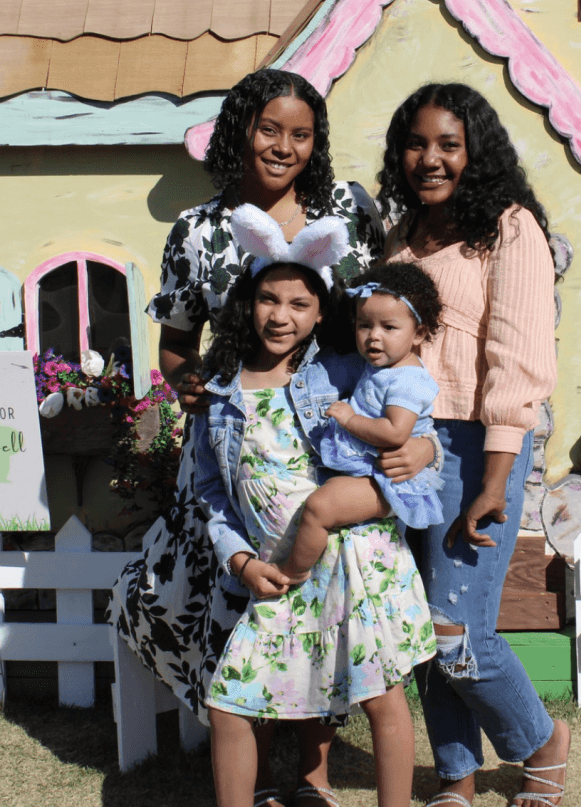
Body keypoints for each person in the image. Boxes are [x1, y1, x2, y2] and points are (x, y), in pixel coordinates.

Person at [108, 67, 434, 807]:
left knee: (333, 609)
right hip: (238, 435)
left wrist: (412, 430)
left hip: (337, 440)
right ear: (239, 132)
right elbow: (174, 344)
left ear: (316, 143)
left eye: (301, 133)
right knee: (248, 607)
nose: (283, 146)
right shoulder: (196, 230)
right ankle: (250, 772)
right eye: (268, 129)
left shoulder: (349, 215)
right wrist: (188, 384)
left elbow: (389, 324)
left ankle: (313, 778)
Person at [198, 208, 435, 807]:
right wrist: (240, 560)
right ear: (248, 304)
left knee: (381, 693)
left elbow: (413, 402)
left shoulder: (339, 370)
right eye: (268, 301)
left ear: (322, 313)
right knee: (230, 703)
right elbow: (211, 492)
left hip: (351, 560)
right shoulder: (222, 390)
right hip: (276, 572)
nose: (281, 316)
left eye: (299, 304)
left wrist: (426, 447)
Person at [379, 83, 571, 807]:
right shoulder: (401, 236)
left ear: (475, 151)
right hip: (410, 445)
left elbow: (518, 357)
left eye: (448, 145)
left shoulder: (510, 227)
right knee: (421, 621)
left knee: (456, 627)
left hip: (475, 444)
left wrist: (495, 477)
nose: (430, 158)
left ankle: (541, 741)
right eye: (417, 142)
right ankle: (455, 776)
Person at [278, 261, 445, 585]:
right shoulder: (384, 367)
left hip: (389, 477)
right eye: (365, 325)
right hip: (371, 468)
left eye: (389, 328)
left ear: (420, 333)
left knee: (318, 508)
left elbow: (395, 433)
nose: (373, 337)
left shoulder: (407, 381)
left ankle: (292, 573)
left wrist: (350, 419)